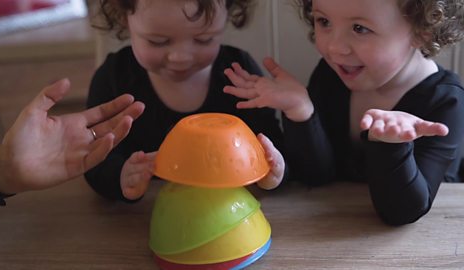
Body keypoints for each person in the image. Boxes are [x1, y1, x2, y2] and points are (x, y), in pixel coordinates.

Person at [223, 0, 464, 225]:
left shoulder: (445, 103)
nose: (334, 48)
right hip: (332, 230)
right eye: (324, 22)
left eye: (359, 28)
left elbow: (402, 211)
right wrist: (301, 110)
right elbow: (317, 176)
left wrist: (390, 144)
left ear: (423, 30)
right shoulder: (333, 77)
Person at [85, 0, 285, 202]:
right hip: (142, 219)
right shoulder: (113, 78)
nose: (180, 57)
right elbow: (94, 161)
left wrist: (272, 171)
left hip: (229, 211)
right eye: (158, 41)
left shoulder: (240, 72)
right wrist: (121, 176)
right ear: (124, 18)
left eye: (203, 39)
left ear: (226, 14)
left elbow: (272, 145)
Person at [0, 78, 145, 206]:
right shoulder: (115, 74)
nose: (171, 56)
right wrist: (6, 167)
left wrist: (3, 170)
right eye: (157, 41)